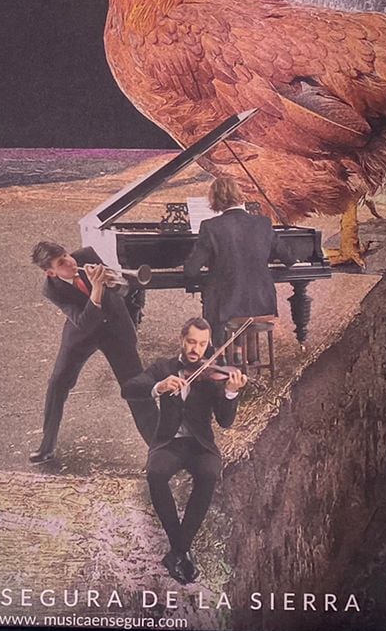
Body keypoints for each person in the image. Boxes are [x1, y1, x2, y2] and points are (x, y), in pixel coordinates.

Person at [123, 317, 244, 586]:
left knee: (210, 473)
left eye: (202, 344)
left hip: (200, 444)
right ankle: (182, 549)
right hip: (169, 442)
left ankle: (178, 550)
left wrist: (231, 393)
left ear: (207, 346)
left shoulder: (213, 375)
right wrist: (158, 387)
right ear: (181, 339)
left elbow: (225, 421)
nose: (195, 349)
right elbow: (128, 388)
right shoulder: (163, 367)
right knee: (155, 474)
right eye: (191, 342)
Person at [27, 240, 156, 465]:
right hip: (81, 335)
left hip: (115, 331)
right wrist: (97, 290)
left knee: (136, 388)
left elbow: (124, 290)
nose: (69, 261)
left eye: (66, 255)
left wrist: (113, 284)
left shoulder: (87, 255)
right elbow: (84, 323)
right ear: (51, 272)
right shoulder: (51, 289)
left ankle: (160, 448)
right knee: (57, 384)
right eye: (61, 262)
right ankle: (46, 447)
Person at [190, 175, 279, 333]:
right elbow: (289, 258)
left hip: (226, 306)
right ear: (239, 196)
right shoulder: (264, 224)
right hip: (262, 302)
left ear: (215, 199)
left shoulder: (210, 227)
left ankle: (220, 352)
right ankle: (240, 353)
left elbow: (191, 270)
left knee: (214, 294)